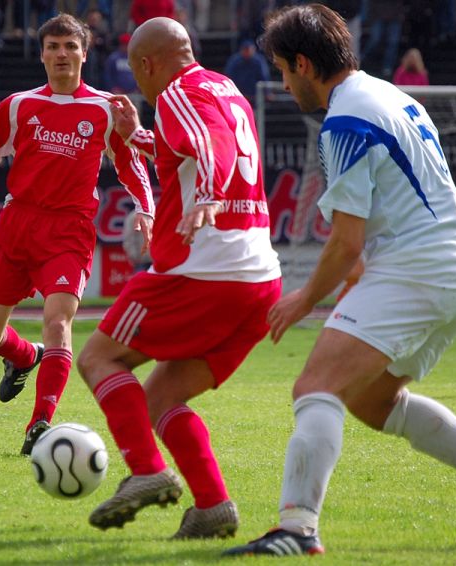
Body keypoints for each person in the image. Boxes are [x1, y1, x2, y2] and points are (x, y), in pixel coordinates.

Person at [224, 4, 456, 556]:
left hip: (418, 268)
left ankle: (297, 528)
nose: (284, 84)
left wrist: (303, 299)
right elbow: (374, 224)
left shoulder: (344, 121)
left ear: (304, 64)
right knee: (372, 400)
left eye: (282, 70)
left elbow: (346, 241)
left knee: (315, 387)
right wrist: (358, 281)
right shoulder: (390, 94)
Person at [75, 16, 281, 539]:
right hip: (258, 280)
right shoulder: (223, 87)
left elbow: (213, 145)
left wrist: (208, 195)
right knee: (161, 398)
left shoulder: (176, 92)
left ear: (146, 65)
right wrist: (136, 137)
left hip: (204, 269)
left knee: (98, 358)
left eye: (136, 73)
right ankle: (212, 507)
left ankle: (146, 471)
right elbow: (191, 146)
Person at [0, 13, 154, 456]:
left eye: (70, 46)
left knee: (59, 320)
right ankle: (25, 356)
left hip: (69, 228)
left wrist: (145, 208)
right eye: (53, 47)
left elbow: (130, 163)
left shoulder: (105, 108)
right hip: (18, 225)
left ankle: (40, 423)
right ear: (42, 55)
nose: (62, 54)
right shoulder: (19, 105)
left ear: (85, 52)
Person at [223, 39, 270, 107]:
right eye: (245, 49)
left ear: (254, 49)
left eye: (249, 49)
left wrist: (267, 92)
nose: (247, 52)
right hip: (238, 94)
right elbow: (228, 76)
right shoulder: (235, 61)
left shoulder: (258, 60)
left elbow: (264, 76)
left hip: (255, 95)